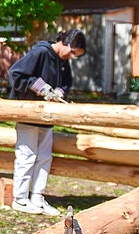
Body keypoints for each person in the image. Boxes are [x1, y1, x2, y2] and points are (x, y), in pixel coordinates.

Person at [7, 29, 87, 215]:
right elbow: (16, 74)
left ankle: (37, 196)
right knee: (26, 156)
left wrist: (59, 92)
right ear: (65, 43)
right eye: (73, 52)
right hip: (29, 114)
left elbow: (66, 83)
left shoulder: (63, 62)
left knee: (44, 157)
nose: (72, 57)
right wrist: (40, 88)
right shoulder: (41, 52)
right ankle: (20, 198)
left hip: (47, 117)